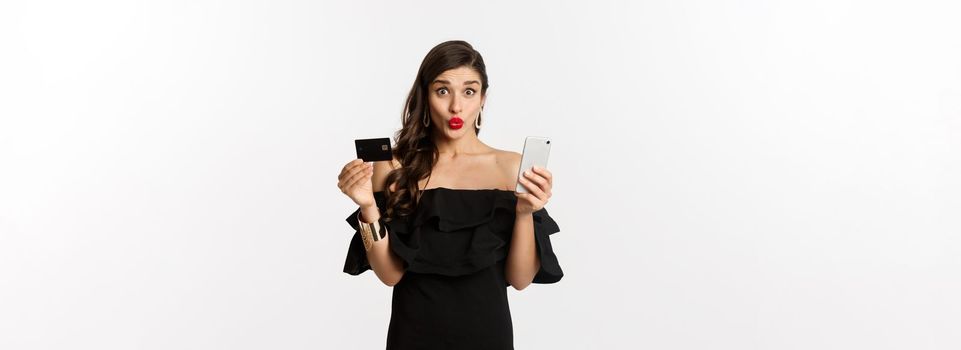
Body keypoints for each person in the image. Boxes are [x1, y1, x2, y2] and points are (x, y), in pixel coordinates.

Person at [336, 40, 563, 350]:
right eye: (443, 91)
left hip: (488, 336)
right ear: (426, 97)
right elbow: (390, 275)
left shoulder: (511, 167)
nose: (456, 106)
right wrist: (367, 208)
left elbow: (521, 279)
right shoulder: (393, 166)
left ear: (483, 98)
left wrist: (524, 213)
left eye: (469, 92)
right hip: (413, 336)